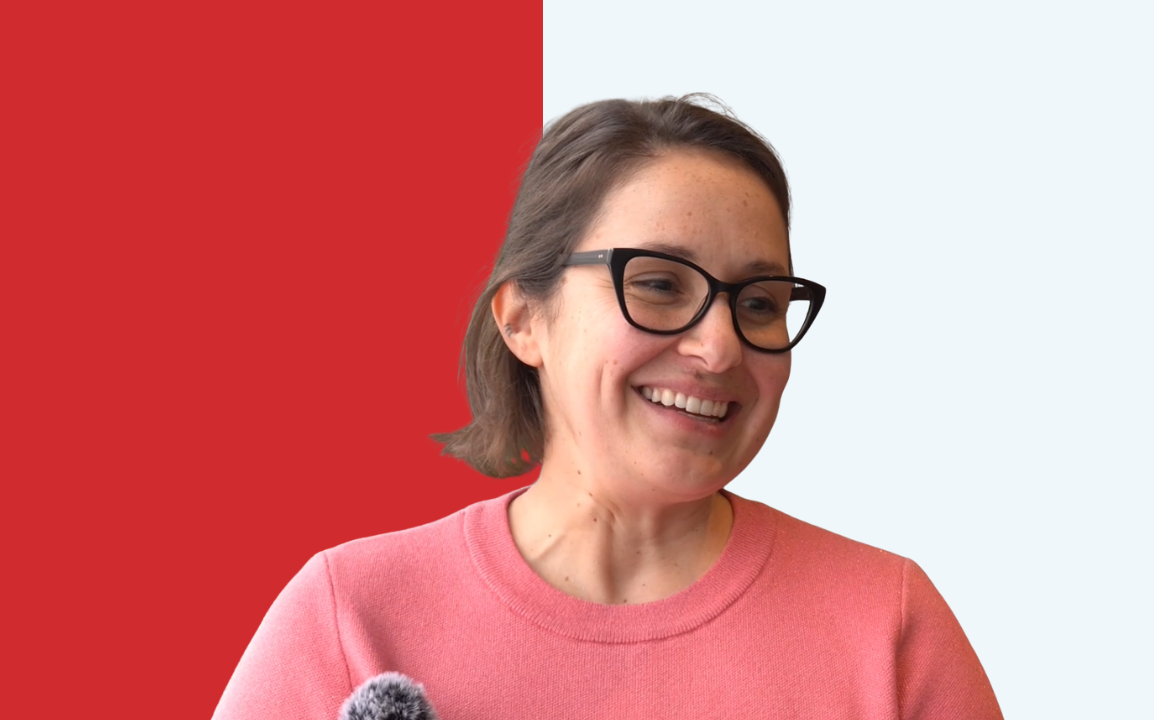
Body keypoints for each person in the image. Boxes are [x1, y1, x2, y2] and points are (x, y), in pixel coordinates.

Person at [212, 95, 1004, 719]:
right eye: (658, 284)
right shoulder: (350, 615)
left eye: (760, 302)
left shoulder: (888, 626)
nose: (720, 347)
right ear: (523, 318)